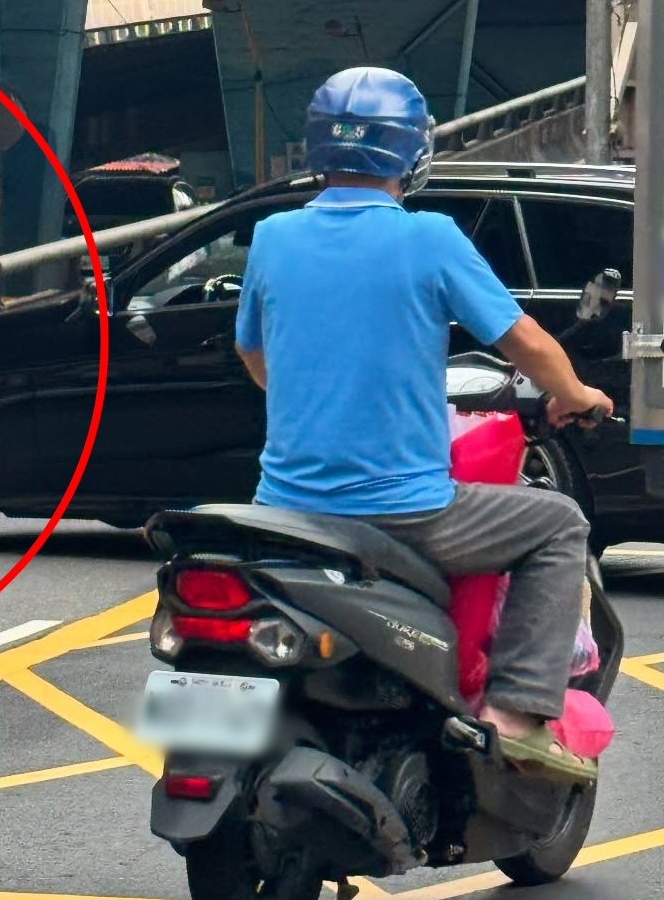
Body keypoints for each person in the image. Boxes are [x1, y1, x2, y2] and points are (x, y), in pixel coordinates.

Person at [234, 66, 613, 783]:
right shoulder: (429, 237)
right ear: (411, 152)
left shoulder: (272, 237)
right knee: (559, 522)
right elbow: (524, 342)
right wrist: (577, 392)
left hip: (281, 511)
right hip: (402, 512)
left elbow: (253, 354)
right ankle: (517, 713)